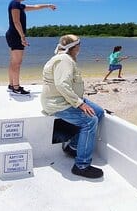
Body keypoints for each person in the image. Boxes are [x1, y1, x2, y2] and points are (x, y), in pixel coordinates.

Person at [41, 34, 105, 179]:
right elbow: (62, 84)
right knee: (90, 120)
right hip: (57, 103)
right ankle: (81, 166)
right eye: (79, 44)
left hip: (68, 99)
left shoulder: (66, 58)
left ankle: (73, 147)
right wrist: (80, 104)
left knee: (98, 112)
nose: (80, 47)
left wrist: (79, 101)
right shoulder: (64, 60)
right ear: (74, 47)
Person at [6, 0, 56, 95]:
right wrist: (22, 37)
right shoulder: (15, 4)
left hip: (14, 35)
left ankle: (12, 84)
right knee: (17, 63)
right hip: (15, 36)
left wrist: (48, 5)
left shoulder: (18, 5)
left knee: (14, 62)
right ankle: (16, 87)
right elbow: (16, 22)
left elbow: (36, 7)